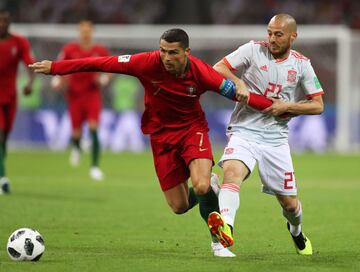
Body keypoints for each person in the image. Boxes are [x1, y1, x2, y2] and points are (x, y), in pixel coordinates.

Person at [30, 28, 275, 257]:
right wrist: (57, 68)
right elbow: (102, 63)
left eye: (173, 52)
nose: (166, 57)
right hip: (160, 136)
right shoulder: (146, 63)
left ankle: (218, 242)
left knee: (200, 186)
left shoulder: (201, 72)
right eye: (163, 51)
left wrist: (279, 107)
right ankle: (211, 187)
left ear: (186, 53)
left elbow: (241, 95)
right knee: (178, 206)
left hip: (192, 130)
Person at [207, 14, 324, 256]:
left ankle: (296, 230)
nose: (271, 38)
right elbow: (219, 67)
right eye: (269, 33)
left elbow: (317, 105)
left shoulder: (302, 65)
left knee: (289, 204)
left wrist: (287, 107)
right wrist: (238, 82)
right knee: (232, 172)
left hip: (275, 139)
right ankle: (226, 228)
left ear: (293, 36)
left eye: (278, 34)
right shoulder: (252, 50)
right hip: (244, 130)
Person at [51, 20, 111, 181]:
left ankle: (95, 167)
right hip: (74, 95)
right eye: (82, 30)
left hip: (92, 95)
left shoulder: (100, 50)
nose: (85, 33)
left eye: (88, 31)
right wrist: (57, 80)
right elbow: (60, 65)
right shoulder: (70, 49)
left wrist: (104, 79)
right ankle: (77, 147)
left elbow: (111, 69)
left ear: (92, 32)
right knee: (76, 132)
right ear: (79, 32)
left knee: (93, 128)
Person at [0, 9, 35, 194]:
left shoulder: (19, 42)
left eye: (5, 21)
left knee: (5, 136)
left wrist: (30, 83)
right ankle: (2, 178)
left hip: (11, 96)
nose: (2, 24)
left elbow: (30, 63)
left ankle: (1, 167)